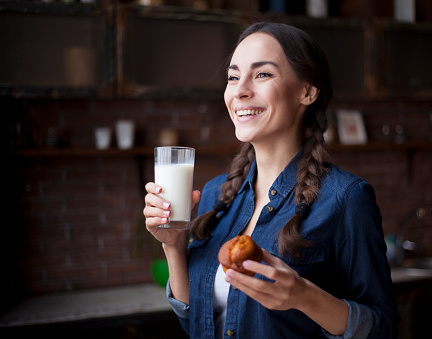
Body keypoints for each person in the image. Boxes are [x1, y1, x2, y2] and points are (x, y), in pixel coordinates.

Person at [144, 22, 399, 338]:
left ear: (307, 91)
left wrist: (305, 297)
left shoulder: (346, 198)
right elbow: (196, 321)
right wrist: (174, 245)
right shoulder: (214, 195)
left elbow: (382, 329)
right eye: (233, 77)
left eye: (262, 74)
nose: (240, 90)